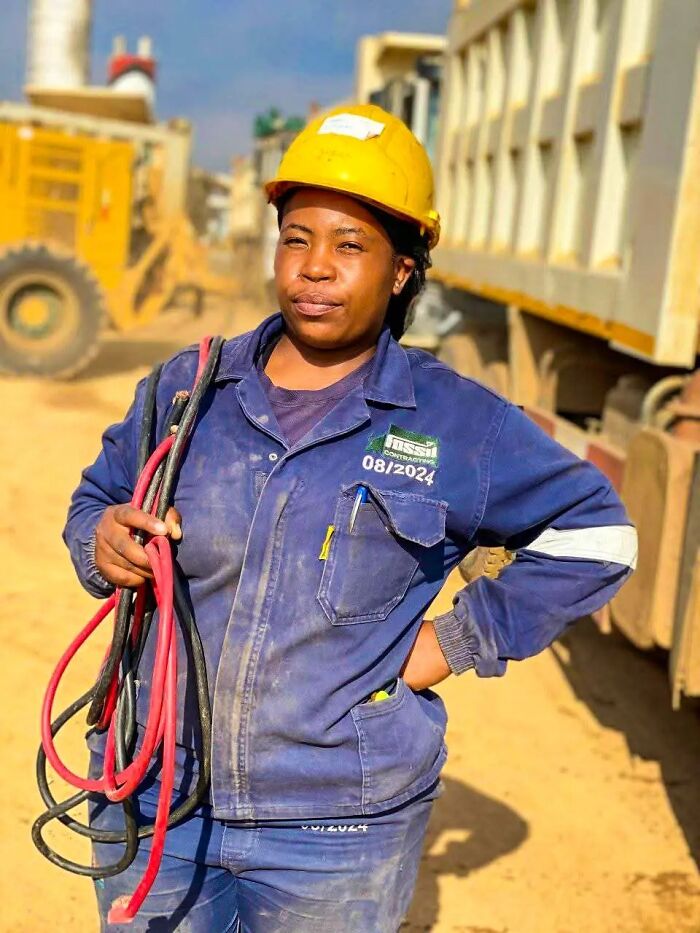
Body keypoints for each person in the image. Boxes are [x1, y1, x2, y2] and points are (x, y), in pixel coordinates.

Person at [63, 104, 637, 932]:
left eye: (349, 245)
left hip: (336, 831)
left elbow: (600, 533)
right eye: (297, 238)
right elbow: (95, 499)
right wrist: (101, 538)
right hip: (154, 796)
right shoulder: (188, 391)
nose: (315, 267)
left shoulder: (454, 423)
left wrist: (455, 641)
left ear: (403, 270)